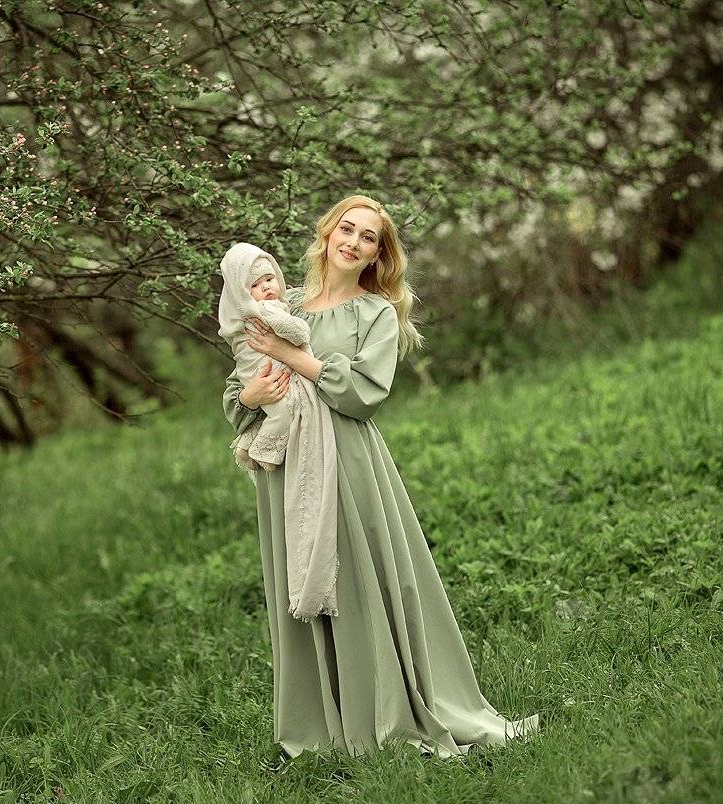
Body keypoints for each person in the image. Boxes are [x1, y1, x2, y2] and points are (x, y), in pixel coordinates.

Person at [222, 194, 541, 760]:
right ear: (327, 235)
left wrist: (290, 357)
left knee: (359, 585)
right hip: (289, 468)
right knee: (305, 589)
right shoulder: (283, 303)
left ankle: (388, 714)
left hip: (349, 464)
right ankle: (320, 729)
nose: (354, 242)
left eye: (368, 237)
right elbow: (238, 388)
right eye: (347, 229)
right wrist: (251, 394)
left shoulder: (375, 315)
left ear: (378, 254)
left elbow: (364, 394)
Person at [217, 241, 342, 622]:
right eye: (257, 284)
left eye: (271, 278)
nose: (268, 287)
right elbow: (237, 391)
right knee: (281, 411)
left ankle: (262, 444)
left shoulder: (357, 307)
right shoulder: (269, 313)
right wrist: (250, 397)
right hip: (280, 405)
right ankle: (262, 447)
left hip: (331, 438)